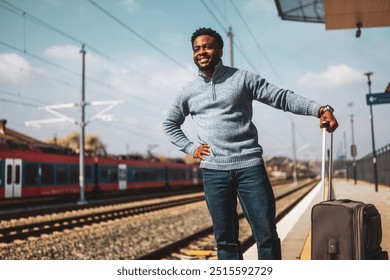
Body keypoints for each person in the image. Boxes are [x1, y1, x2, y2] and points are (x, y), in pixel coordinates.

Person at [162, 27, 338, 260]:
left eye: (207, 46)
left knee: (265, 235)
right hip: (214, 173)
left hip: (249, 168)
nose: (201, 52)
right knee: (225, 242)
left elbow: (281, 97)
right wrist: (191, 148)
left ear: (220, 50)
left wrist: (319, 109)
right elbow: (169, 124)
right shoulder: (188, 91)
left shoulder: (242, 78)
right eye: (196, 49)